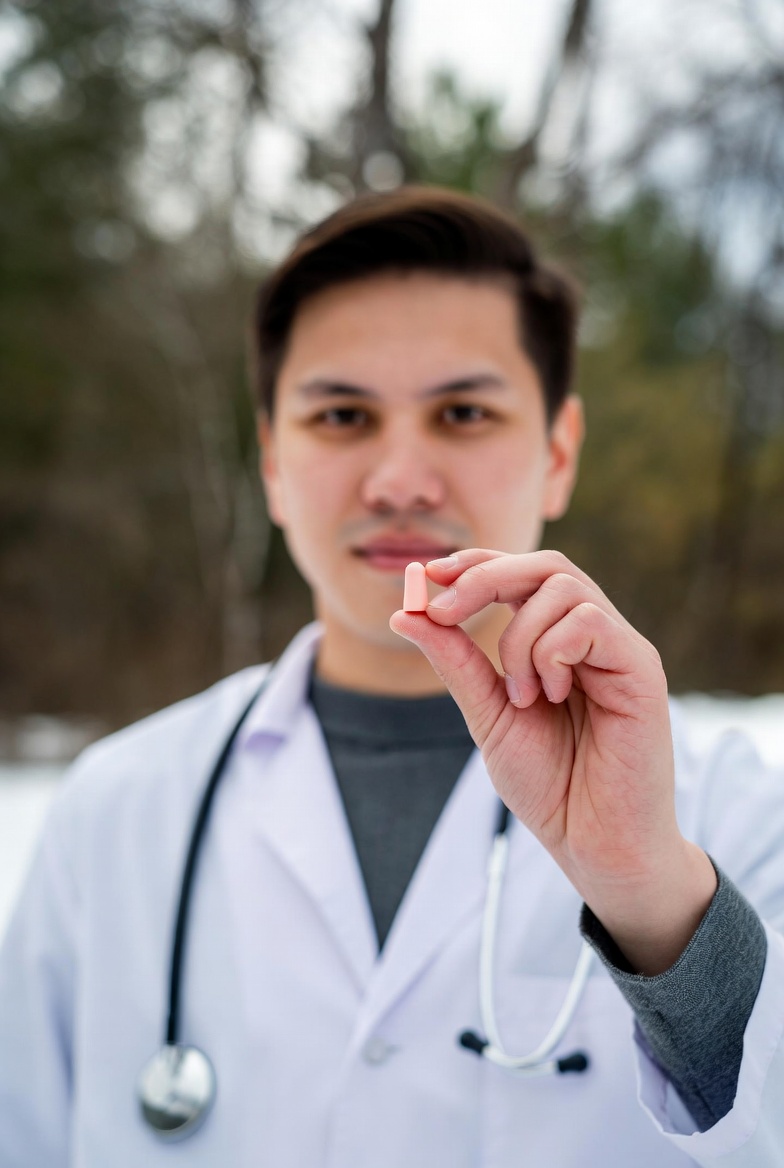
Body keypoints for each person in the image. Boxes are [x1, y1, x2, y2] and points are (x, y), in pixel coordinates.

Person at [1, 187, 783, 1168]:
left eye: (462, 411)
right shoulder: (112, 813)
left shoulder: (728, 811)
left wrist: (651, 898)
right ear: (273, 462)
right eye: (340, 415)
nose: (399, 478)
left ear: (557, 452)